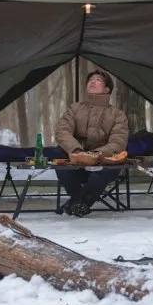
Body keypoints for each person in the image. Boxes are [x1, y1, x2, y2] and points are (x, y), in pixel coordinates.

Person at [55, 69, 129, 217]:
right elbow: (62, 131)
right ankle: (79, 200)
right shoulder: (74, 109)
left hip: (102, 164)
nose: (93, 81)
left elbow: (118, 142)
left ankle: (79, 201)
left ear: (107, 89)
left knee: (117, 157)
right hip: (76, 163)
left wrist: (95, 154)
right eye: (91, 80)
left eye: (98, 80)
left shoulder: (117, 114)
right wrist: (76, 151)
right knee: (58, 152)